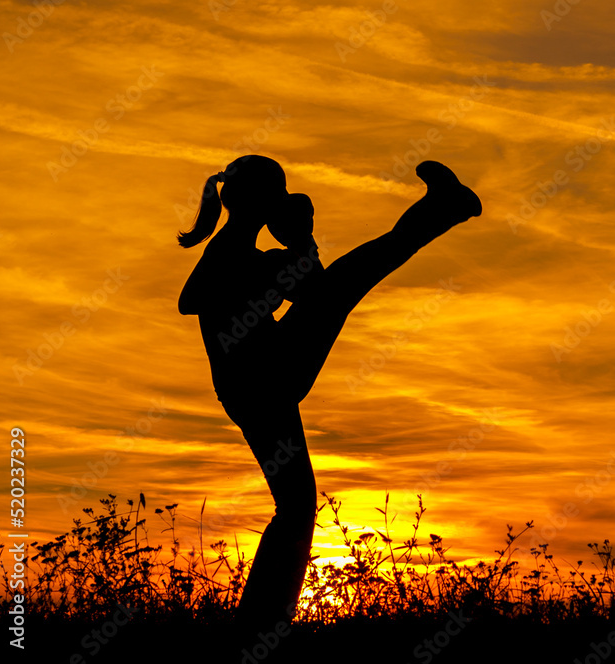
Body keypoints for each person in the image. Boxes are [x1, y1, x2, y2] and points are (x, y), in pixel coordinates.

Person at [177, 155, 482, 634]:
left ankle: (260, 622)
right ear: (265, 200)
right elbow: (192, 299)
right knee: (295, 506)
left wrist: (292, 251)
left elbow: (304, 285)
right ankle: (261, 624)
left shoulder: (238, 248)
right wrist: (292, 248)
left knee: (295, 505)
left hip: (261, 375)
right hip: (262, 376)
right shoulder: (230, 248)